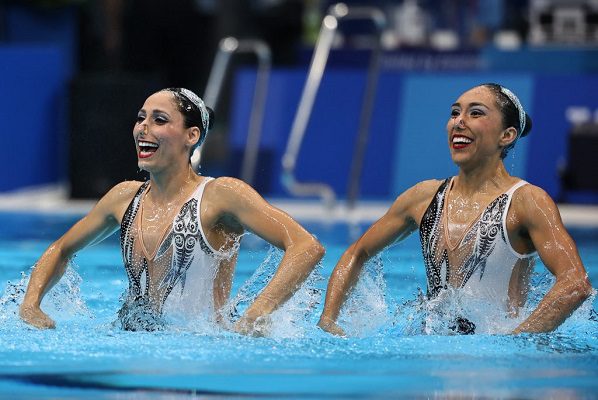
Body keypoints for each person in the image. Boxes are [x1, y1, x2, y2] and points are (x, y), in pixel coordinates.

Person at [19, 87, 324, 334]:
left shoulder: (220, 195)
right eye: (141, 118)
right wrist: (31, 304)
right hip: (130, 344)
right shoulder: (124, 198)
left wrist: (258, 312)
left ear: (192, 136)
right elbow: (61, 248)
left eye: (159, 120)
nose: (143, 128)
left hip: (201, 352)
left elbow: (306, 246)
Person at [318, 83, 592, 335]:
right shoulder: (423, 197)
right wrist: (328, 320)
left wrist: (516, 341)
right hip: (433, 355)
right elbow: (357, 252)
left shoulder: (527, 201)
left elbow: (575, 283)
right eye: (454, 113)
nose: (458, 122)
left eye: (475, 113)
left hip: (494, 364)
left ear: (506, 135)